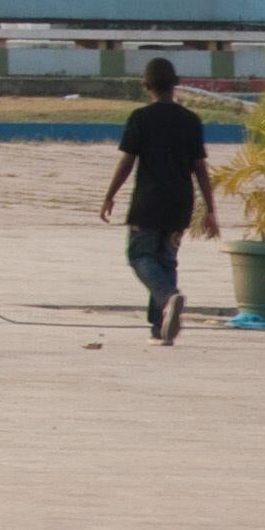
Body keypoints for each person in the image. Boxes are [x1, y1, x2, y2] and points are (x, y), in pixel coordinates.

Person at [98, 54, 218, 345]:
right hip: (180, 204)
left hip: (148, 203)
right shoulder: (191, 120)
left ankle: (167, 298)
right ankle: (159, 328)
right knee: (166, 260)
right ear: (175, 85)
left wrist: (110, 195)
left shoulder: (141, 118)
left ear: (146, 85)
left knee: (140, 256)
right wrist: (210, 210)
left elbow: (127, 162)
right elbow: (200, 168)